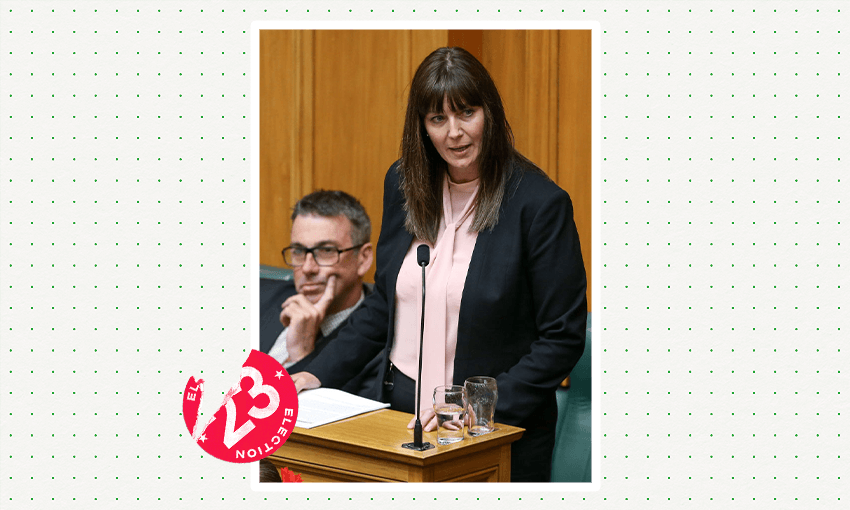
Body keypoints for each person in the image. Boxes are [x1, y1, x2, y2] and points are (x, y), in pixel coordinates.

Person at [292, 47, 587, 482]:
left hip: (492, 433)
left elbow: (561, 339)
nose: (454, 133)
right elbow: (384, 308)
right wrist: (314, 371)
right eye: (437, 119)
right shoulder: (403, 184)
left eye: (467, 112)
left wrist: (480, 407)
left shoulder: (539, 204)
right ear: (422, 128)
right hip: (399, 418)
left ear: (490, 112)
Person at [259, 190, 382, 396]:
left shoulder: (376, 344)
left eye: (326, 251)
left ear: (363, 259)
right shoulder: (259, 297)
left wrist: (302, 357)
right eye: (299, 251)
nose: (308, 268)